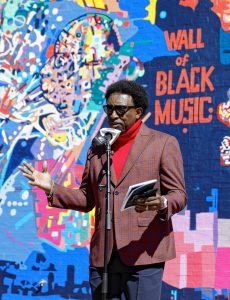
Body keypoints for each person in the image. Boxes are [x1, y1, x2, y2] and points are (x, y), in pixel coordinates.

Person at [19, 80, 187, 300]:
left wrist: (162, 202)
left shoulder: (163, 143)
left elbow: (178, 194)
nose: (114, 115)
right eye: (109, 109)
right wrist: (52, 187)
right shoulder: (98, 149)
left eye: (121, 109)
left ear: (138, 112)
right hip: (104, 257)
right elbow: (86, 199)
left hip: (144, 253)